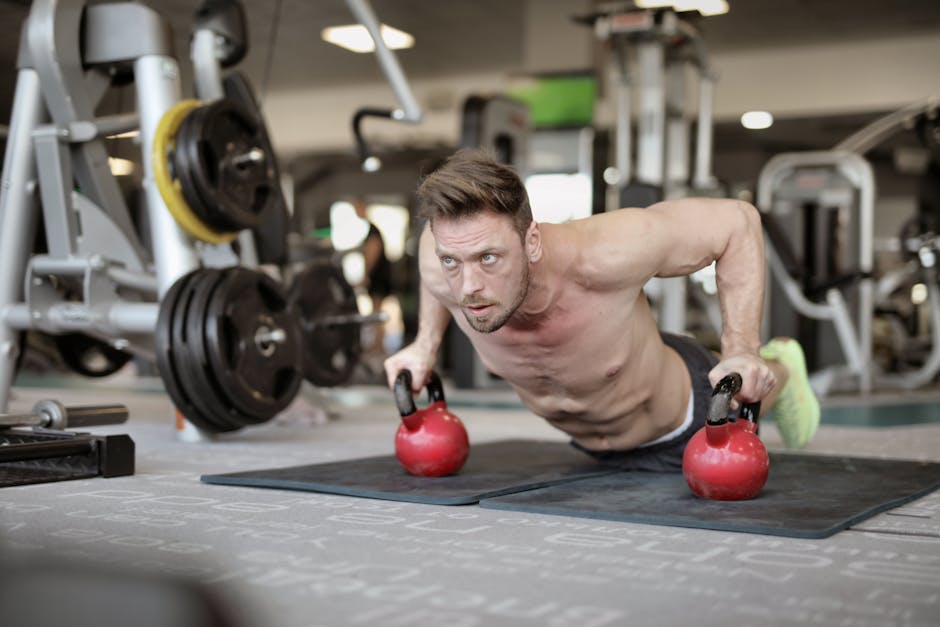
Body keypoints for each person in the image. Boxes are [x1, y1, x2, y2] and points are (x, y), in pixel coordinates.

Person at [384, 149, 820, 471]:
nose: (469, 286)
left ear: (531, 241)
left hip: (688, 421)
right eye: (452, 261)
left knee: (754, 384)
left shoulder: (606, 253)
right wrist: (424, 346)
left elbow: (737, 222)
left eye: (489, 258)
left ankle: (783, 364)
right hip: (589, 451)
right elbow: (438, 279)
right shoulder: (440, 259)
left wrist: (742, 349)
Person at [351, 197, 393, 355]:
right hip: (378, 276)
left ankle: (378, 346)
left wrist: (366, 275)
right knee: (377, 311)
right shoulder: (370, 229)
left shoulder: (372, 230)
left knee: (376, 312)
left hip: (378, 277)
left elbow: (372, 254)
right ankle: (378, 345)